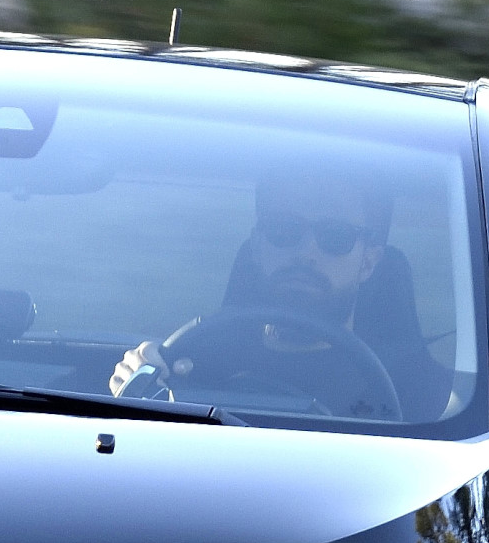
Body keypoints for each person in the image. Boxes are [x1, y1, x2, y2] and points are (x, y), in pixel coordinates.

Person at [114, 169, 445, 420]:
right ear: (257, 246)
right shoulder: (188, 365)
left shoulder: (424, 398)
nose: (306, 252)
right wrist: (137, 383)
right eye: (284, 229)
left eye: (335, 236)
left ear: (369, 262)